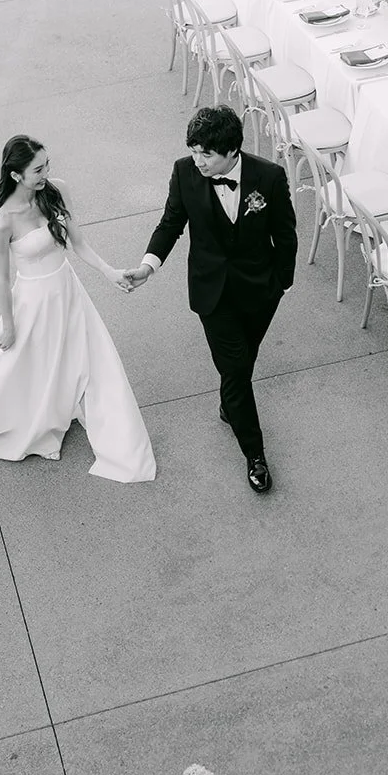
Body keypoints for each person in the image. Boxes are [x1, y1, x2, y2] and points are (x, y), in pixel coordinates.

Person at [0, 135, 156, 483]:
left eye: (47, 165)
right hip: (32, 303)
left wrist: (110, 273)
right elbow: (2, 279)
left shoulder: (57, 190)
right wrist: (8, 325)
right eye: (38, 169)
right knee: (31, 368)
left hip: (67, 292)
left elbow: (78, 243)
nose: (46, 174)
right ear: (16, 175)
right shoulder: (4, 220)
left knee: (92, 361)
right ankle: (34, 419)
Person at [123, 105, 296, 494]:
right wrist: (147, 266)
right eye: (194, 150)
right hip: (212, 292)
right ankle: (254, 454)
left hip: (260, 291)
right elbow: (171, 223)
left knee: (242, 362)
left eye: (207, 154)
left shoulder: (268, 177)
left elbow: (285, 233)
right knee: (236, 370)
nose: (197, 160)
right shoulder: (184, 172)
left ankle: (229, 404)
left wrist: (283, 283)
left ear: (232, 151)